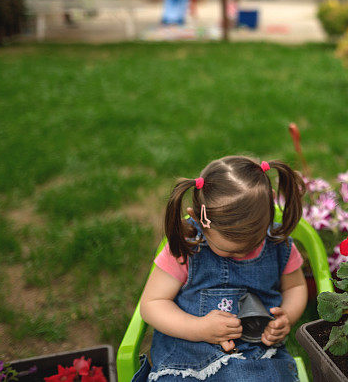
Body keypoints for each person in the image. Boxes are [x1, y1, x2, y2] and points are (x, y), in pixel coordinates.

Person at [132, 155, 307, 382]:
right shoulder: (188, 247)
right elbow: (152, 304)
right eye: (229, 251)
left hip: (257, 353)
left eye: (253, 245)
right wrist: (198, 328)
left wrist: (287, 317)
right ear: (197, 217)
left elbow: (296, 286)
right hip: (190, 352)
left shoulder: (278, 244)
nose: (243, 255)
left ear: (271, 203)